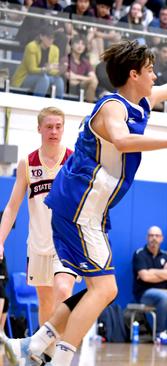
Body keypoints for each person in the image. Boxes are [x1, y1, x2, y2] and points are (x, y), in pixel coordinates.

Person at [2, 27, 167, 366]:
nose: (156, 75)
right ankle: (56, 359)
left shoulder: (140, 104)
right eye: (150, 69)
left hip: (86, 210)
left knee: (98, 289)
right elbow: (122, 141)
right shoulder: (112, 107)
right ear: (134, 74)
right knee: (105, 290)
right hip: (78, 205)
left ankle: (34, 344)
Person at [0, 107, 77, 362]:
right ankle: (48, 354)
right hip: (38, 244)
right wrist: (0, 241)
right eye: (49, 126)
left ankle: (62, 354)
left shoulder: (73, 160)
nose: (54, 131)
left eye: (58, 126)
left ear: (63, 129)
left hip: (66, 243)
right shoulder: (28, 163)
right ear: (39, 129)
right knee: (45, 301)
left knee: (64, 293)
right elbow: (12, 207)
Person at [131, 226, 167, 345]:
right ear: (147, 237)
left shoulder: (166, 255)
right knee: (163, 296)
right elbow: (145, 277)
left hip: (165, 292)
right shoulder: (140, 254)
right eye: (151, 235)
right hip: (144, 293)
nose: (154, 238)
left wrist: (152, 271)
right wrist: (163, 273)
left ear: (161, 239)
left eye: (157, 236)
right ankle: (160, 333)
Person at [12, 26, 64, 99]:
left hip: (45, 75)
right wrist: (46, 69)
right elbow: (31, 69)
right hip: (26, 77)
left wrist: (60, 71)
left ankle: (59, 106)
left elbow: (53, 70)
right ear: (41, 36)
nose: (51, 41)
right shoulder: (31, 47)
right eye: (49, 38)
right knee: (44, 79)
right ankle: (37, 104)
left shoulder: (55, 49)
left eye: (52, 38)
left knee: (59, 80)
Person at [63, 36, 98, 103]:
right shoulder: (66, 59)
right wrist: (87, 78)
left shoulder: (85, 62)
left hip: (81, 87)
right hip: (69, 88)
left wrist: (76, 77)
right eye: (78, 43)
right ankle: (90, 107)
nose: (80, 46)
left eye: (83, 44)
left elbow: (93, 77)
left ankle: (89, 106)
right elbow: (69, 78)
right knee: (93, 82)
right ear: (72, 45)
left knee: (94, 81)